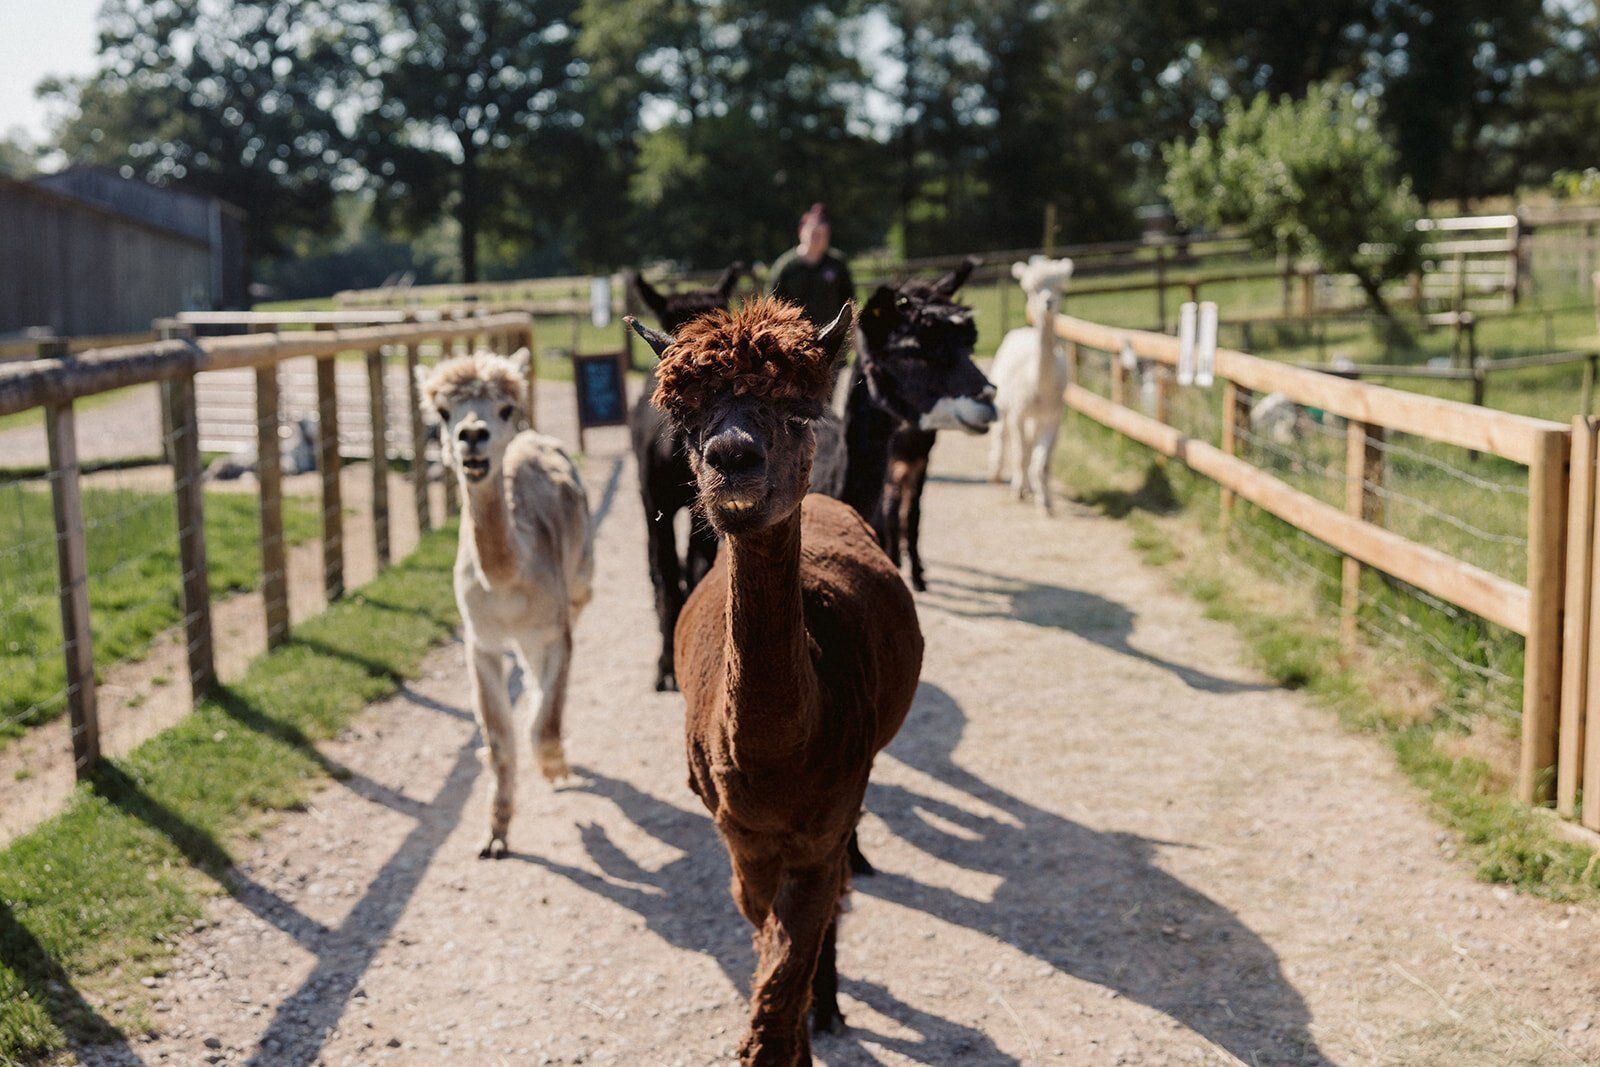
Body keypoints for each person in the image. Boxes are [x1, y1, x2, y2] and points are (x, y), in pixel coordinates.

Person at [768, 202, 855, 328]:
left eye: (822, 234)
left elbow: (850, 305)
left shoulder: (837, 265)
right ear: (801, 232)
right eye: (814, 233)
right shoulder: (786, 267)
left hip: (832, 338)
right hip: (796, 339)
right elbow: (772, 308)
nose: (817, 238)